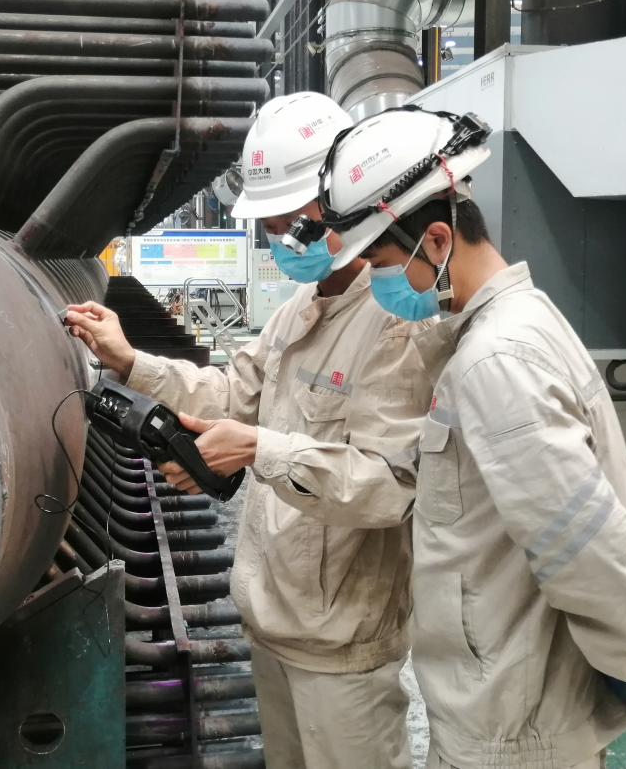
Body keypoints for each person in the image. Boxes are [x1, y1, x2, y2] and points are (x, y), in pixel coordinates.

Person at [65, 92, 431, 769]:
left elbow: (390, 486)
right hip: (274, 615)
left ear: (341, 204)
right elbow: (233, 392)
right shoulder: (300, 308)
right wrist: (131, 360)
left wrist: (260, 448)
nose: (279, 237)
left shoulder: (393, 323)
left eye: (291, 220)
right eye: (269, 223)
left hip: (341, 639)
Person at [289, 104, 626, 769]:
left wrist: (618, 666)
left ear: (437, 240)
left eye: (382, 261)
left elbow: (587, 548)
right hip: (502, 710)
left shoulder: (497, 362)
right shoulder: (506, 329)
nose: (378, 282)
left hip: (511, 732)